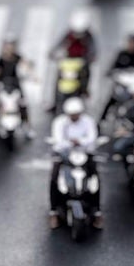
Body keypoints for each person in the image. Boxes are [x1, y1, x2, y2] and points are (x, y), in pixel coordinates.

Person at [48, 96, 101, 229]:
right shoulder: (60, 122)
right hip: (65, 155)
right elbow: (58, 140)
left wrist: (78, 142)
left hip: (84, 154)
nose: (74, 117)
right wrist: (73, 142)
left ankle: (97, 212)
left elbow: (92, 138)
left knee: (94, 179)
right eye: (72, 114)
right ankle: (54, 211)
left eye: (76, 114)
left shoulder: (88, 121)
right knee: (54, 178)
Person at [0, 36, 34, 135]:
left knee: (23, 103)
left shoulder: (17, 57)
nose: (9, 49)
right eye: (7, 47)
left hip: (15, 84)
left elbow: (25, 65)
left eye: (11, 46)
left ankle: (26, 125)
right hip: (2, 83)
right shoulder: (1, 59)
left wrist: (31, 74)